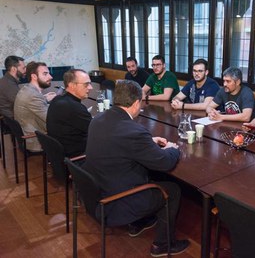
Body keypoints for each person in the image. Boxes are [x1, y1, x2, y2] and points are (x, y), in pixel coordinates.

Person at [83, 80, 190, 257]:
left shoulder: (98, 119)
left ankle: (139, 222)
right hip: (118, 201)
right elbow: (165, 162)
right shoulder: (133, 131)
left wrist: (149, 142)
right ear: (135, 103)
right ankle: (163, 244)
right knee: (173, 190)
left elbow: (118, 145)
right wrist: (173, 150)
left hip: (100, 191)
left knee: (144, 172)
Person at [47, 69, 93, 157]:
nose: (90, 87)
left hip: (60, 152)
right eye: (86, 84)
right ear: (72, 85)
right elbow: (96, 131)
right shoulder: (74, 108)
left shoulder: (58, 99)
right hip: (76, 156)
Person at [14, 61, 55, 151]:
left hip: (28, 134)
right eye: (45, 74)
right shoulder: (33, 96)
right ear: (34, 76)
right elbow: (51, 120)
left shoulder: (26, 89)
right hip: (35, 140)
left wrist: (44, 98)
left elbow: (33, 103)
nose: (50, 77)